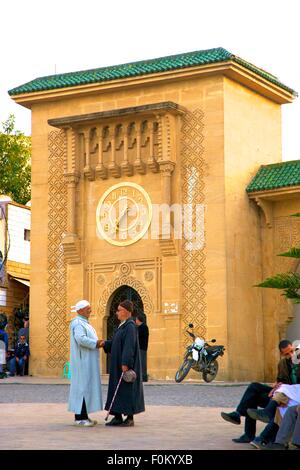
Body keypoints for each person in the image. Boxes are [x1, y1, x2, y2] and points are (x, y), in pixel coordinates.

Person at [220, 339, 300, 445]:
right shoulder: (282, 364)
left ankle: (263, 431)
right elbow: (281, 379)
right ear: (282, 354)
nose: (290, 355)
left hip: (293, 396)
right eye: (287, 354)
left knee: (278, 405)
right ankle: (243, 424)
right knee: (253, 389)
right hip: (282, 392)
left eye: (291, 351)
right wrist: (276, 385)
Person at [101, 300, 145, 427]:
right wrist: (105, 343)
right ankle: (117, 416)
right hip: (117, 365)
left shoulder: (130, 326)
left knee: (127, 390)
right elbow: (116, 342)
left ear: (126, 311)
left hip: (124, 365)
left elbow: (129, 347)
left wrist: (126, 363)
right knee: (117, 389)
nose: (116, 313)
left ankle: (129, 418)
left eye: (119, 310)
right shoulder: (123, 326)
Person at [68, 300, 103, 427]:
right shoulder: (77, 323)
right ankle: (79, 418)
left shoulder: (84, 323)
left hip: (87, 361)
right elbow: (80, 339)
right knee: (82, 389)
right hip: (82, 362)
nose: (90, 310)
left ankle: (85, 416)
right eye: (88, 308)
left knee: (86, 388)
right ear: (80, 310)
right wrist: (96, 343)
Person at [135, 314, 149, 382]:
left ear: (138, 320)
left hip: (142, 347)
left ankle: (143, 377)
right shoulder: (140, 327)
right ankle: (141, 377)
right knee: (140, 362)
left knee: (142, 362)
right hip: (140, 347)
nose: (135, 321)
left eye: (136, 320)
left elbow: (138, 335)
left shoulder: (143, 327)